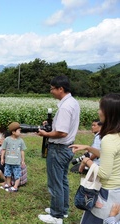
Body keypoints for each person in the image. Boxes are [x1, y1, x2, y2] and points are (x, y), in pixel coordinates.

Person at [70, 93, 120, 224]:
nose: (99, 111)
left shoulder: (109, 139)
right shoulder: (117, 136)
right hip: (116, 191)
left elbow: (104, 173)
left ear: (109, 112)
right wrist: (88, 147)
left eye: (101, 108)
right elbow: (112, 157)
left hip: (105, 194)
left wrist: (86, 161)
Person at [37, 75, 80, 224]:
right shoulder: (73, 103)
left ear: (60, 89)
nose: (51, 91)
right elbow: (63, 126)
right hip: (67, 148)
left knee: (55, 183)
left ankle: (56, 216)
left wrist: (46, 134)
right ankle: (63, 210)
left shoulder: (65, 107)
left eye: (52, 88)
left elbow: (62, 132)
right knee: (62, 181)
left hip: (58, 149)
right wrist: (51, 124)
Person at [0, 122, 26, 192]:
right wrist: (2, 158)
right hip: (8, 161)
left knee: (17, 174)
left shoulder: (20, 141)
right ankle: (8, 184)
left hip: (17, 162)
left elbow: (22, 151)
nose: (20, 132)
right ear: (13, 132)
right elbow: (3, 149)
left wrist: (23, 160)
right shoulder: (7, 140)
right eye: (19, 130)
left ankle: (15, 187)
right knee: (8, 173)